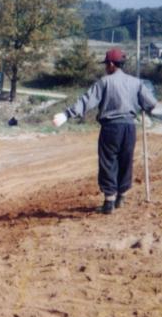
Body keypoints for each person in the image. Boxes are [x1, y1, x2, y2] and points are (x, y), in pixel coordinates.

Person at [52, 48, 156, 214]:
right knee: (125, 161)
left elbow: (87, 101)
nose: (105, 68)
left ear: (112, 64)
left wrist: (66, 114)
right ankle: (121, 197)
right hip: (129, 127)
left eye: (106, 64)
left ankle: (109, 202)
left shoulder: (105, 82)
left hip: (111, 128)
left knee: (109, 162)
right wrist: (143, 105)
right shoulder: (136, 82)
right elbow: (151, 103)